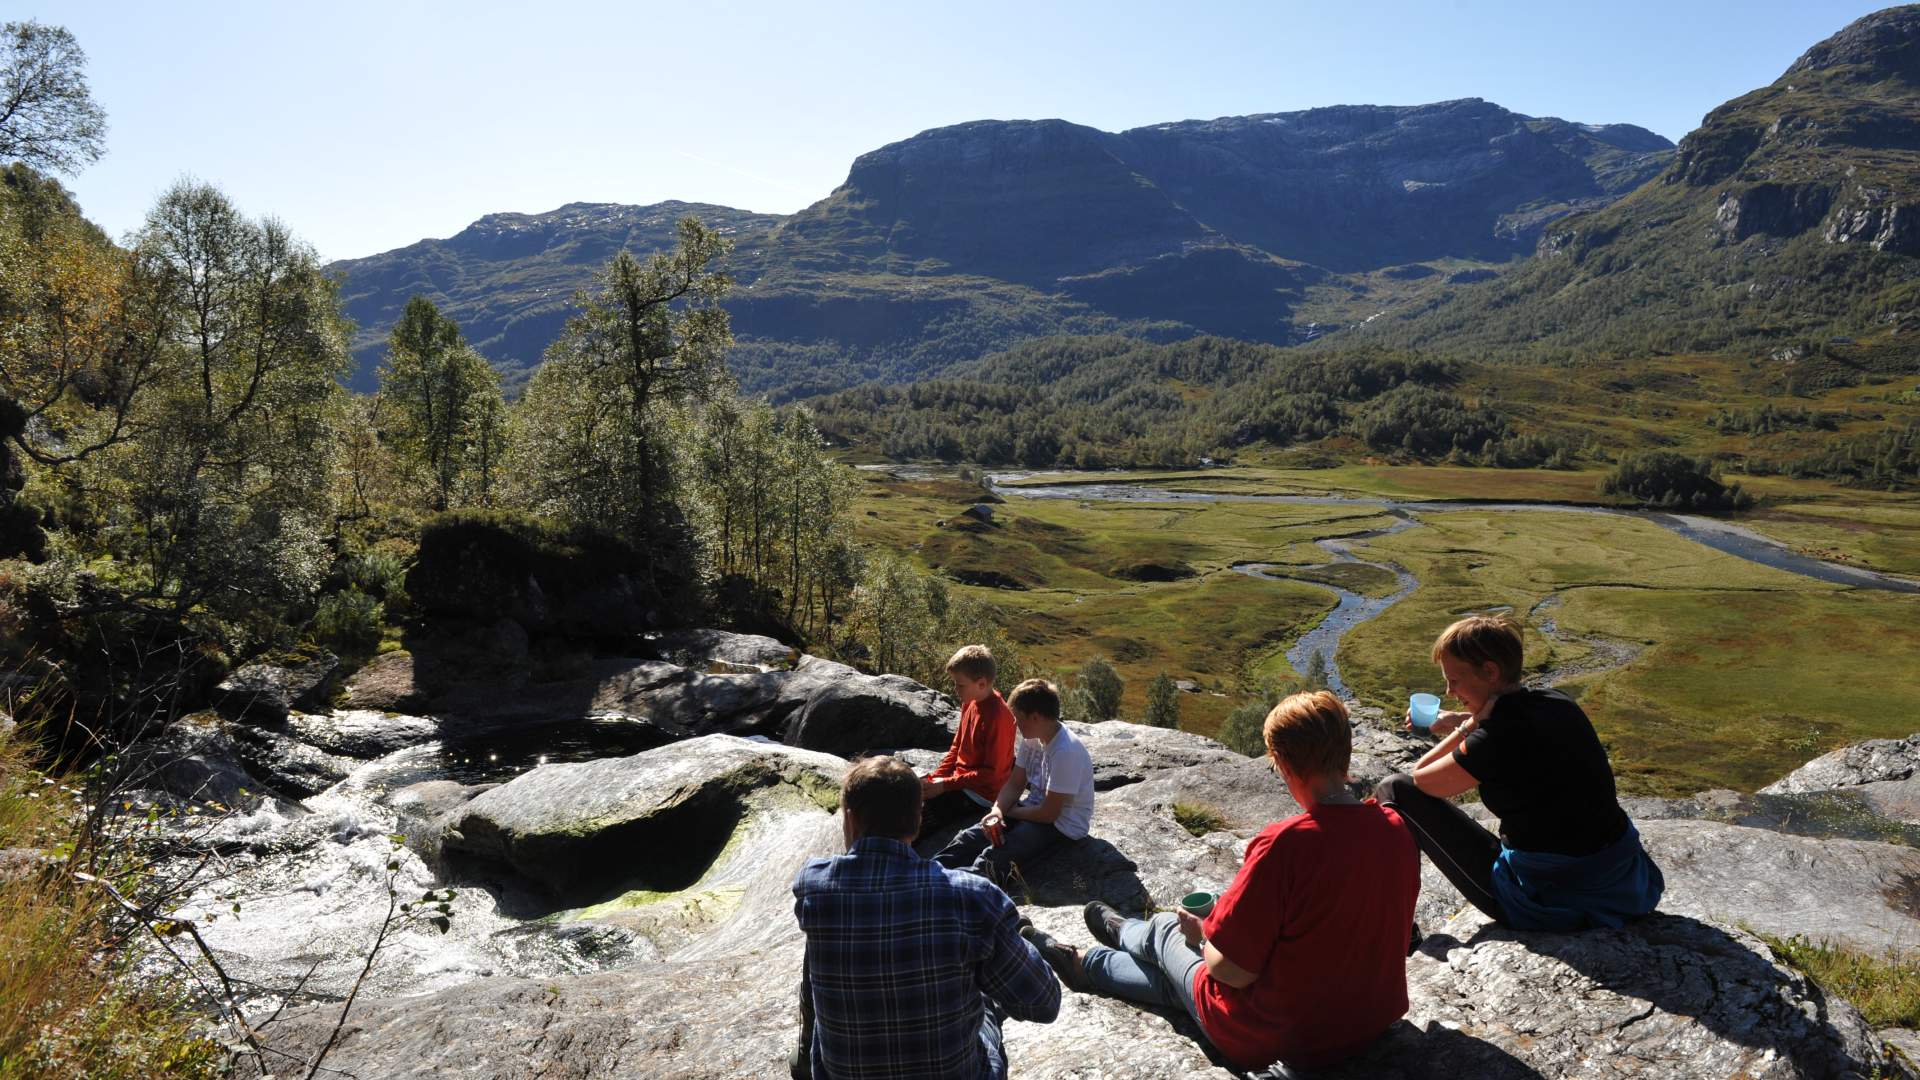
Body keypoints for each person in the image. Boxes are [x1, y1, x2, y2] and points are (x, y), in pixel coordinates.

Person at [1022, 691, 1419, 1073]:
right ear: (1345, 753)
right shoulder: (1396, 829)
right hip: (1369, 1020)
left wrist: (1203, 937)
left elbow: (1230, 972)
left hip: (1279, 1037)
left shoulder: (1286, 844)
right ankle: (1091, 958)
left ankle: (1121, 938)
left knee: (1168, 933)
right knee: (1174, 982)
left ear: (1282, 762)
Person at [1373, 614, 1664, 930]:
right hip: (1623, 880)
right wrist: (1463, 719)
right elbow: (1521, 734)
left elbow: (1420, 778)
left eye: (1454, 680)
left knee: (1394, 789)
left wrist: (1468, 726)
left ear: (1490, 672)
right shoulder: (1557, 702)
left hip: (1549, 897)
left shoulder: (1495, 739)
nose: (1448, 691)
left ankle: (1395, 929)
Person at [791, 755, 1060, 1080]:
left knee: (824, 934)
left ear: (850, 820)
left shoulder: (815, 888)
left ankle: (805, 1050)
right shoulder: (973, 898)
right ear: (918, 820)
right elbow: (1044, 1003)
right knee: (984, 995)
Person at [934, 678, 1094, 889]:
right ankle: (926, 871)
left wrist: (1011, 811)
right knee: (971, 837)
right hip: (1031, 810)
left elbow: (1049, 814)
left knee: (998, 855)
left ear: (1035, 717)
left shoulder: (1066, 751)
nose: (1015, 725)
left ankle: (949, 889)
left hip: (1061, 826)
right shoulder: (1033, 738)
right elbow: (1015, 783)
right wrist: (998, 811)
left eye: (1019, 720)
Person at [918, 645, 1017, 841]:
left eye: (959, 684)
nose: (955, 689)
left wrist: (945, 786)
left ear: (981, 683)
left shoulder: (998, 717)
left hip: (981, 794)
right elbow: (957, 748)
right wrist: (935, 779)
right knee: (911, 794)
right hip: (960, 782)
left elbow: (991, 774)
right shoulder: (969, 701)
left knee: (918, 819)